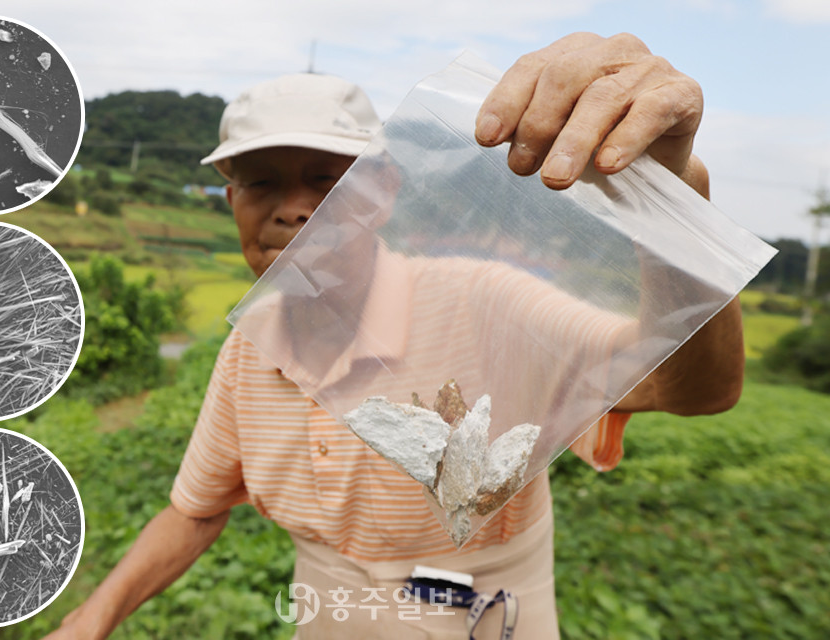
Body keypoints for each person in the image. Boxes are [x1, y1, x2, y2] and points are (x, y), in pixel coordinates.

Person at [44, 32, 743, 640]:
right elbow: (195, 511)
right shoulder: (247, 352)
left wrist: (672, 205)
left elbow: (688, 388)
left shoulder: (483, 303)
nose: (294, 210)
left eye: (326, 180)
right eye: (260, 183)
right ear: (232, 202)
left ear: (381, 190)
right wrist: (86, 622)